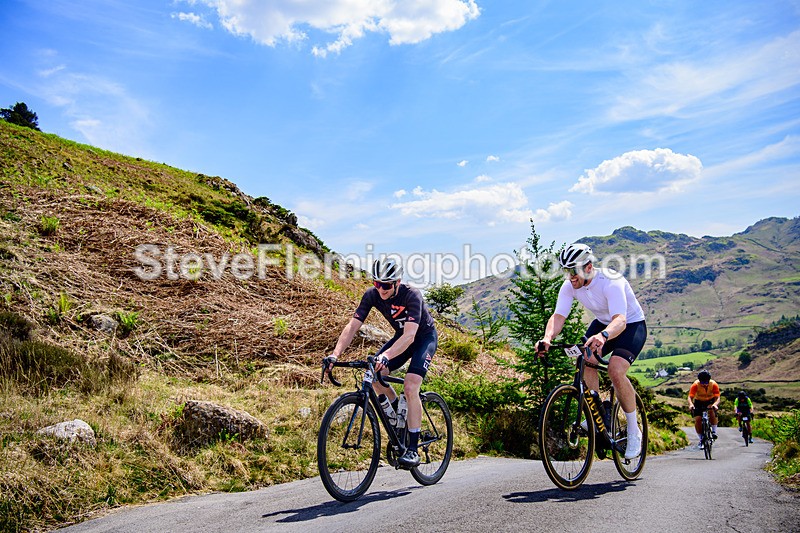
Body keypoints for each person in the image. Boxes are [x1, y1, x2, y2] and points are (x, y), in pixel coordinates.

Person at [537, 243, 648, 460]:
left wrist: (604, 336)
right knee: (585, 358)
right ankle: (596, 410)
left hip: (630, 325)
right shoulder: (570, 286)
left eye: (573, 270)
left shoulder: (610, 282)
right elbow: (558, 316)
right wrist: (547, 338)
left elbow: (621, 320)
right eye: (566, 271)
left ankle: (634, 432)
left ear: (588, 267)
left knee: (616, 370)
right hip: (603, 323)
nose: (570, 277)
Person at [324, 258, 438, 469]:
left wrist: (386, 355)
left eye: (386, 285)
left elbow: (410, 335)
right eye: (377, 284)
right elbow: (352, 326)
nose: (381, 289)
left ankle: (413, 449)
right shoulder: (372, 295)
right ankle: (399, 416)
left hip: (422, 338)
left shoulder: (411, 294)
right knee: (375, 373)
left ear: (397, 282)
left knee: (411, 386)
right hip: (400, 337)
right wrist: (335, 354)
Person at [688, 369, 720, 449]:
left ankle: (714, 431)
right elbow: (690, 397)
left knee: (712, 411)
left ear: (709, 380)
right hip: (699, 401)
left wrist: (715, 404)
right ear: (699, 381)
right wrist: (691, 404)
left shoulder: (713, 384)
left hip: (710, 400)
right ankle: (701, 438)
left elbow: (717, 397)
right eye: (702, 382)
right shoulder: (695, 385)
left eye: (706, 382)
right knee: (698, 419)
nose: (704, 384)